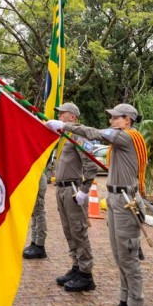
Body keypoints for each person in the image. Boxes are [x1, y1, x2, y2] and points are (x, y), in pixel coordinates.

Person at [53, 102, 149, 306]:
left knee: (128, 259)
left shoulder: (127, 136)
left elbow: (94, 134)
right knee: (120, 256)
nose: (111, 121)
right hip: (116, 198)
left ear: (127, 120)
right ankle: (125, 303)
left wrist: (65, 126)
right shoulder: (120, 140)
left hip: (126, 201)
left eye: (115, 117)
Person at [46, 103, 100, 291]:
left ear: (73, 117)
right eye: (59, 113)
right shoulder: (64, 136)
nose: (59, 116)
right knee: (68, 230)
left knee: (78, 230)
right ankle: (76, 266)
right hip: (61, 189)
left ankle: (86, 273)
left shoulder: (79, 135)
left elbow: (91, 163)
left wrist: (85, 189)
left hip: (73, 189)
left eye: (62, 113)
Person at [22, 170, 48, 259]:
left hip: (38, 176)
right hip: (33, 176)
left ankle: (40, 245)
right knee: (33, 213)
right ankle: (34, 243)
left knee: (39, 211)